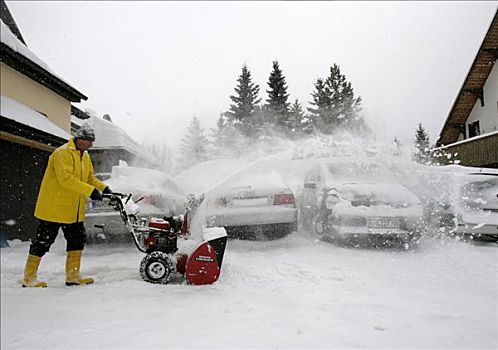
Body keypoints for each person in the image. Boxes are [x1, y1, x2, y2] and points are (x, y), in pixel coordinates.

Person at [22, 123, 111, 287]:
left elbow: (90, 178)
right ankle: (29, 277)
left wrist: (104, 188)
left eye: (92, 141)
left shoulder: (85, 156)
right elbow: (66, 180)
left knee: (77, 240)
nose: (91, 144)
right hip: (54, 207)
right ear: (79, 139)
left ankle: (73, 276)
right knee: (43, 241)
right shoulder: (62, 153)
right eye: (88, 141)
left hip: (74, 209)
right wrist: (91, 191)